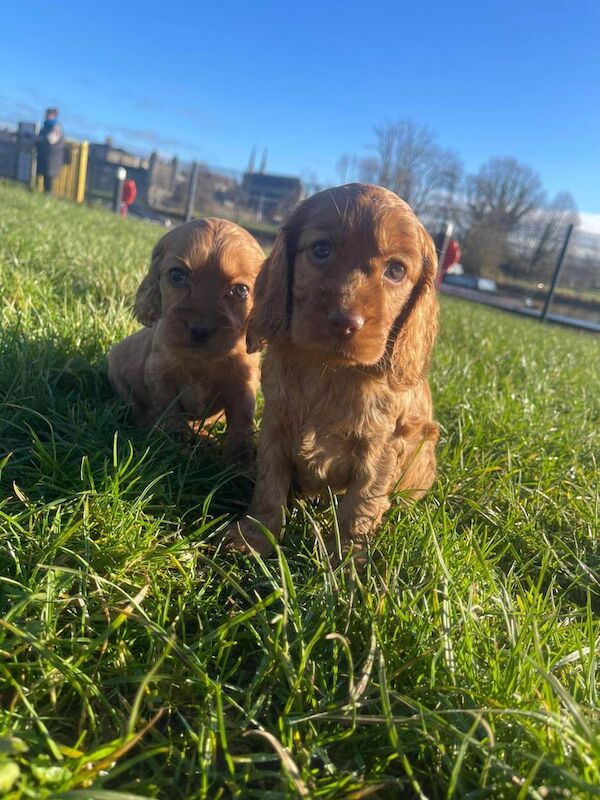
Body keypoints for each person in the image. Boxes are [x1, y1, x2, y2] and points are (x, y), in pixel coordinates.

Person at [36, 108, 65, 194]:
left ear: (53, 116)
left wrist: (38, 139)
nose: (45, 116)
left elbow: (51, 139)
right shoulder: (45, 127)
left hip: (52, 158)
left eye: (48, 114)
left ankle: (48, 195)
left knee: (49, 178)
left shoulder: (56, 128)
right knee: (44, 175)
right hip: (45, 156)